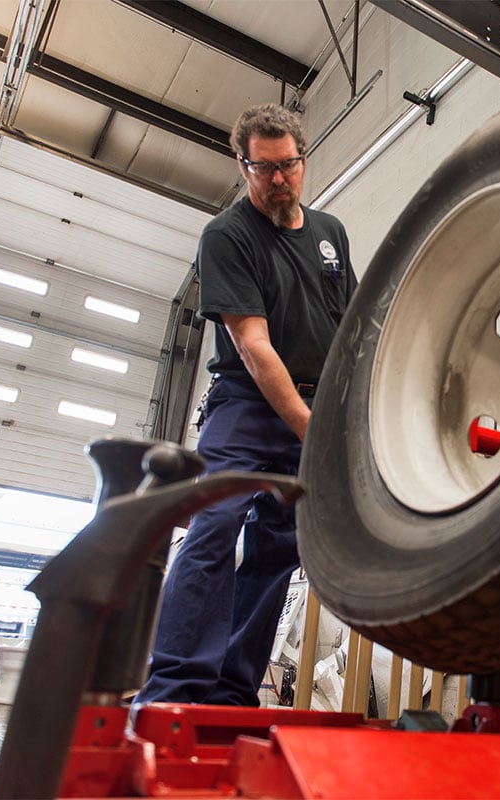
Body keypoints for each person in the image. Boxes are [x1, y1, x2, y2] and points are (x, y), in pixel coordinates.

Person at [136, 103, 357, 707]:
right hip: (246, 406)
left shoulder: (330, 233)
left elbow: (351, 330)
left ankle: (232, 693)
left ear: (303, 160)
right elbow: (255, 348)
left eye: (288, 165)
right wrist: (313, 430)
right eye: (264, 169)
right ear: (244, 167)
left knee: (279, 547)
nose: (279, 179)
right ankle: (175, 687)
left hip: (314, 406)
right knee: (214, 527)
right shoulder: (227, 236)